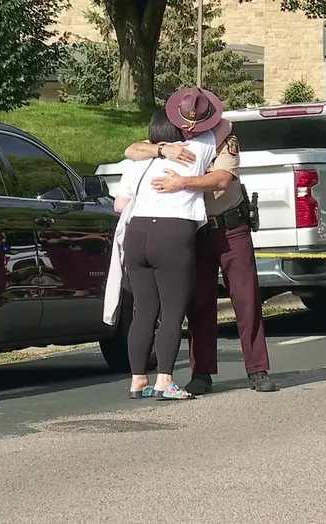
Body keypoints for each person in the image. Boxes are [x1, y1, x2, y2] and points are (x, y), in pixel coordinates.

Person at [124, 87, 278, 394]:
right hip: (193, 232)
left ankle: (257, 370)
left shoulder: (223, 140)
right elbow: (131, 150)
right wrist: (161, 150)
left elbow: (221, 179)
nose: (190, 127)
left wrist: (183, 183)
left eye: (197, 120)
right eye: (185, 120)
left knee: (246, 300)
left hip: (229, 227)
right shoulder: (171, 140)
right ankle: (202, 372)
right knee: (199, 303)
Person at [104, 107, 231, 400]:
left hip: (137, 234)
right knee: (172, 313)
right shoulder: (194, 150)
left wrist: (158, 151)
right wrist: (196, 118)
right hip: (173, 235)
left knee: (144, 311)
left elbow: (120, 205)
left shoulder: (138, 161)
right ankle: (165, 381)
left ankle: (137, 381)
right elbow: (225, 123)